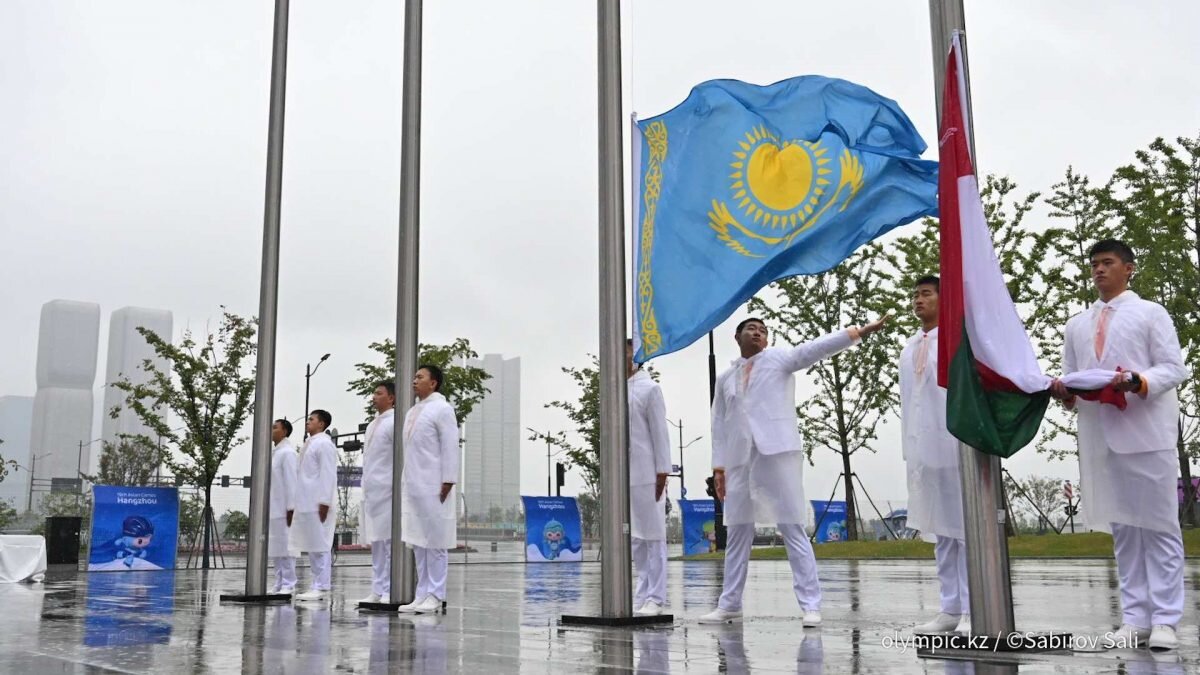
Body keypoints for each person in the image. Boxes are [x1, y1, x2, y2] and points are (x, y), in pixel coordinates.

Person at [698, 315, 887, 625]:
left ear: (767, 339)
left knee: (792, 526)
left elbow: (814, 349)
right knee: (737, 531)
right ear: (737, 337)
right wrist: (718, 467)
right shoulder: (725, 379)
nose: (757, 334)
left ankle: (811, 604)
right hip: (739, 460)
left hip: (777, 453)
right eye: (751, 329)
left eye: (762, 331)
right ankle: (729, 603)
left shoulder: (778, 359)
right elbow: (718, 423)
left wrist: (856, 333)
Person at [1050, 239, 1187, 651]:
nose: (1098, 270)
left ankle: (1165, 618)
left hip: (1146, 433)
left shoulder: (1150, 313)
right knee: (1124, 529)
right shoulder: (1077, 323)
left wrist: (1137, 381)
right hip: (1100, 434)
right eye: (1093, 264)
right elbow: (1072, 376)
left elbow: (1172, 367)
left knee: (1159, 527)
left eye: (1107, 263)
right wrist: (1064, 391)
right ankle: (1134, 617)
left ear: (1128, 268)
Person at [899, 276, 969, 634]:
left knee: (964, 529)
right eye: (916, 295)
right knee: (941, 531)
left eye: (926, 293)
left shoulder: (959, 338)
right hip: (923, 448)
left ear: (945, 298)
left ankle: (975, 608)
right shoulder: (910, 346)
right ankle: (950, 608)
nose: (918, 300)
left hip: (955, 442)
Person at [398, 365, 460, 614]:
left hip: (435, 484)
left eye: (420, 377)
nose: (414, 381)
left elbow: (450, 445)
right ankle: (421, 593)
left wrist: (448, 479)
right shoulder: (413, 411)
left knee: (435, 540)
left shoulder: (442, 409)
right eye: (414, 377)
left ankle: (436, 593)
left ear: (433, 383)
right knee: (418, 540)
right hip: (413, 483)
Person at [626, 339, 673, 617]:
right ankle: (641, 593)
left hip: (648, 473)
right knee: (635, 538)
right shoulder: (615, 389)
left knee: (653, 536)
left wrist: (662, 471)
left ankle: (656, 596)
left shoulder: (650, 388)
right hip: (623, 475)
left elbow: (660, 433)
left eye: (629, 347)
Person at [292, 410, 338, 602]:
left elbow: (328, 474)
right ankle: (316, 584)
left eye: (311, 419)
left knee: (320, 544)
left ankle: (321, 585)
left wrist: (324, 501)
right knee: (313, 544)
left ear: (322, 424)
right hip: (307, 501)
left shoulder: (324, 444)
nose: (307, 422)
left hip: (319, 502)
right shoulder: (309, 443)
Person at [359, 381, 397, 605]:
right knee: (377, 542)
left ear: (391, 398)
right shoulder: (373, 424)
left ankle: (391, 588)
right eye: (374, 393)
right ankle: (378, 588)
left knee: (390, 542)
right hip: (373, 489)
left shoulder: (394, 422)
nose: (374, 397)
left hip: (389, 488)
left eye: (379, 393)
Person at [269, 418, 299, 595]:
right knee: (277, 546)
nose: (271, 430)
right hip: (274, 507)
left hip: (284, 508)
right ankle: (279, 582)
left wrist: (291, 507)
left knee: (287, 546)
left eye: (275, 427)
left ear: (285, 431)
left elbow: (291, 482)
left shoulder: (288, 453)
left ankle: (289, 583)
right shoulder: (275, 453)